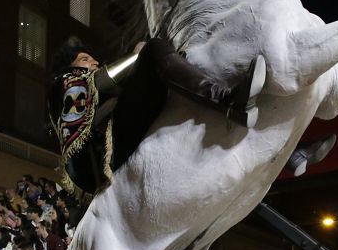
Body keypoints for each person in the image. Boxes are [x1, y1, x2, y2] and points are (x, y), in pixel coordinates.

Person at [47, 36, 266, 195]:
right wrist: (138, 55)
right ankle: (228, 102)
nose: (94, 62)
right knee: (153, 49)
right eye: (85, 59)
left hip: (111, 144)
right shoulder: (68, 81)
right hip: (107, 147)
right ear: (70, 68)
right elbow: (104, 80)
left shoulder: (72, 99)